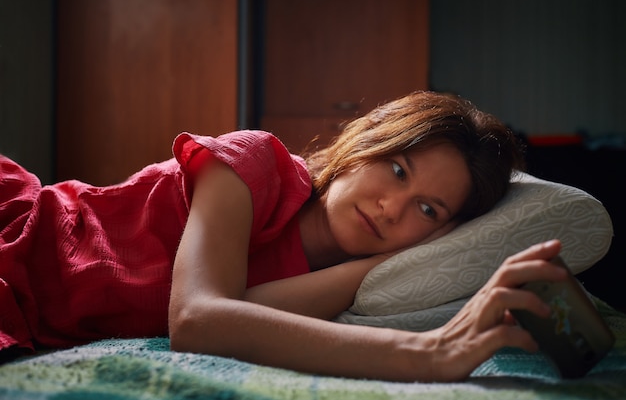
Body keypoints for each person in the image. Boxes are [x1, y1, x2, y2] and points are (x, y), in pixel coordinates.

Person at [0, 91, 567, 381]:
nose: (391, 209)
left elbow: (236, 317)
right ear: (364, 140)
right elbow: (197, 321)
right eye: (396, 170)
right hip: (22, 235)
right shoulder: (256, 164)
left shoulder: (338, 282)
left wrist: (394, 267)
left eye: (426, 208)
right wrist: (428, 353)